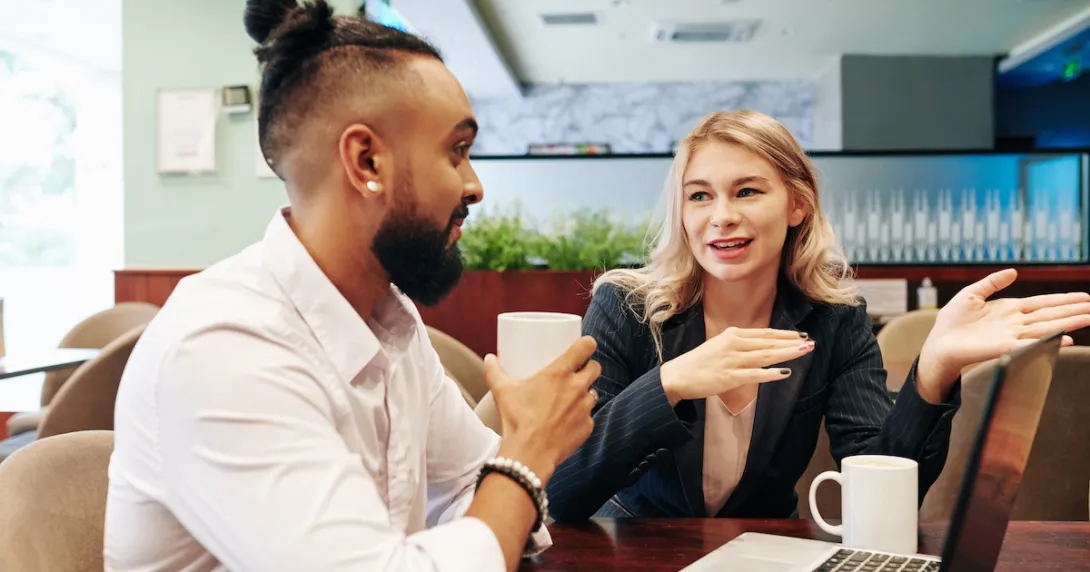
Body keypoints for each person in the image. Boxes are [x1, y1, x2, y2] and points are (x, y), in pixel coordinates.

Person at [103, 2, 601, 571]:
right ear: (367, 160)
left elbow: (472, 487)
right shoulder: (223, 349)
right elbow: (495, 501)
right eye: (456, 151)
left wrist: (504, 486)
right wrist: (527, 451)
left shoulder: (390, 321)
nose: (474, 184)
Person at [545, 110, 1090, 522]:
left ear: (797, 205)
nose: (722, 216)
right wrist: (668, 384)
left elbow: (884, 501)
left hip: (764, 553)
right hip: (635, 551)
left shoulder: (835, 319)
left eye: (748, 191)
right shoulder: (625, 308)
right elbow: (564, 493)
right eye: (699, 197)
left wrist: (934, 369)